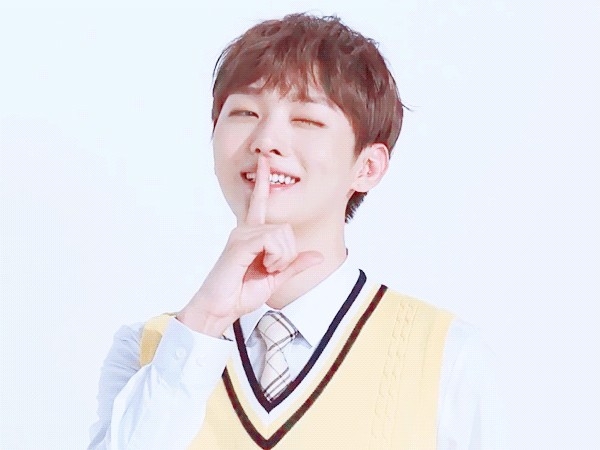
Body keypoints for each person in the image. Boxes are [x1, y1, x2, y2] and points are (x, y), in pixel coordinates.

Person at [89, 13, 501, 449]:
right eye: (245, 112)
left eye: (306, 120)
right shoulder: (148, 348)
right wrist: (205, 319)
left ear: (368, 166)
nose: (265, 140)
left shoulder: (446, 358)